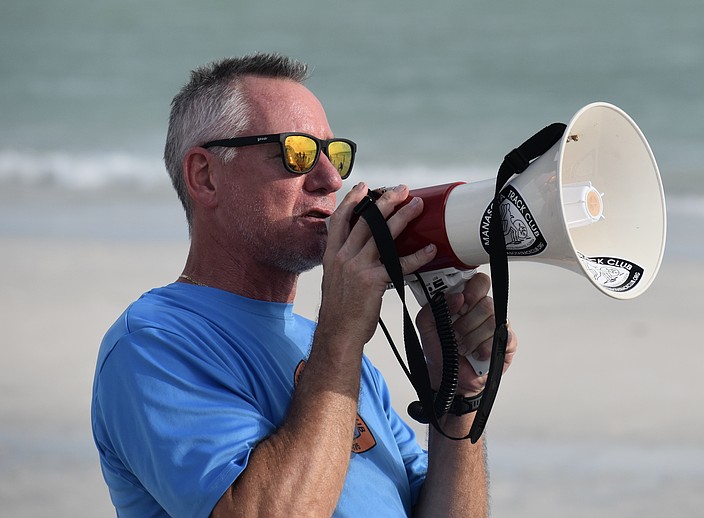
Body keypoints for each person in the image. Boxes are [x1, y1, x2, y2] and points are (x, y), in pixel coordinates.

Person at [91, 53, 517, 517]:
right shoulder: (154, 344)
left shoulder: (339, 357)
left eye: (334, 156)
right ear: (205, 176)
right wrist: (340, 335)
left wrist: (456, 393)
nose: (331, 179)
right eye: (296, 153)